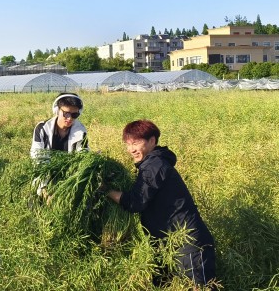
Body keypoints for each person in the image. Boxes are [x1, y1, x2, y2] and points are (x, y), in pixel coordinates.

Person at [105, 120, 216, 288]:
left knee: (199, 287)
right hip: (166, 242)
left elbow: (136, 202)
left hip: (186, 242)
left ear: (152, 141)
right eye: (127, 144)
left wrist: (107, 191)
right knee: (164, 285)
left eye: (136, 143)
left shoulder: (154, 165)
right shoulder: (151, 164)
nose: (131, 149)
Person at [30, 93, 89, 197]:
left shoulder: (81, 131)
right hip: (45, 174)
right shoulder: (42, 128)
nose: (69, 118)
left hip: (69, 176)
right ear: (57, 110)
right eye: (66, 114)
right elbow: (38, 158)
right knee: (37, 199)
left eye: (74, 115)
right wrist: (45, 189)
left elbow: (82, 156)